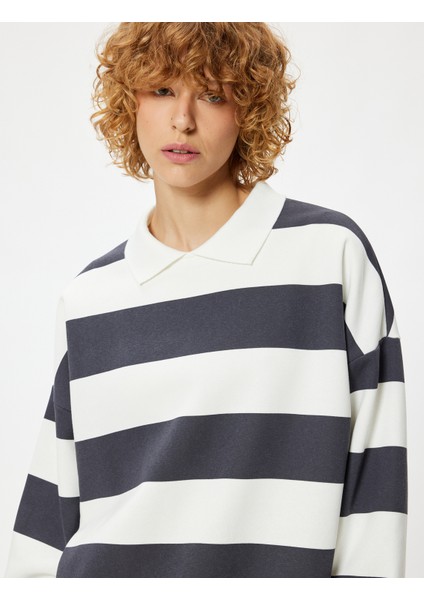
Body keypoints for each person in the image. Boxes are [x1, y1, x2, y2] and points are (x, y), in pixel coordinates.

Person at [5, 22, 407, 578]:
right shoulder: (90, 297)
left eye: (213, 95)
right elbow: (49, 518)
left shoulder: (327, 255)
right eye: (161, 90)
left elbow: (375, 486)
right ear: (130, 102)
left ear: (249, 109)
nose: (183, 119)